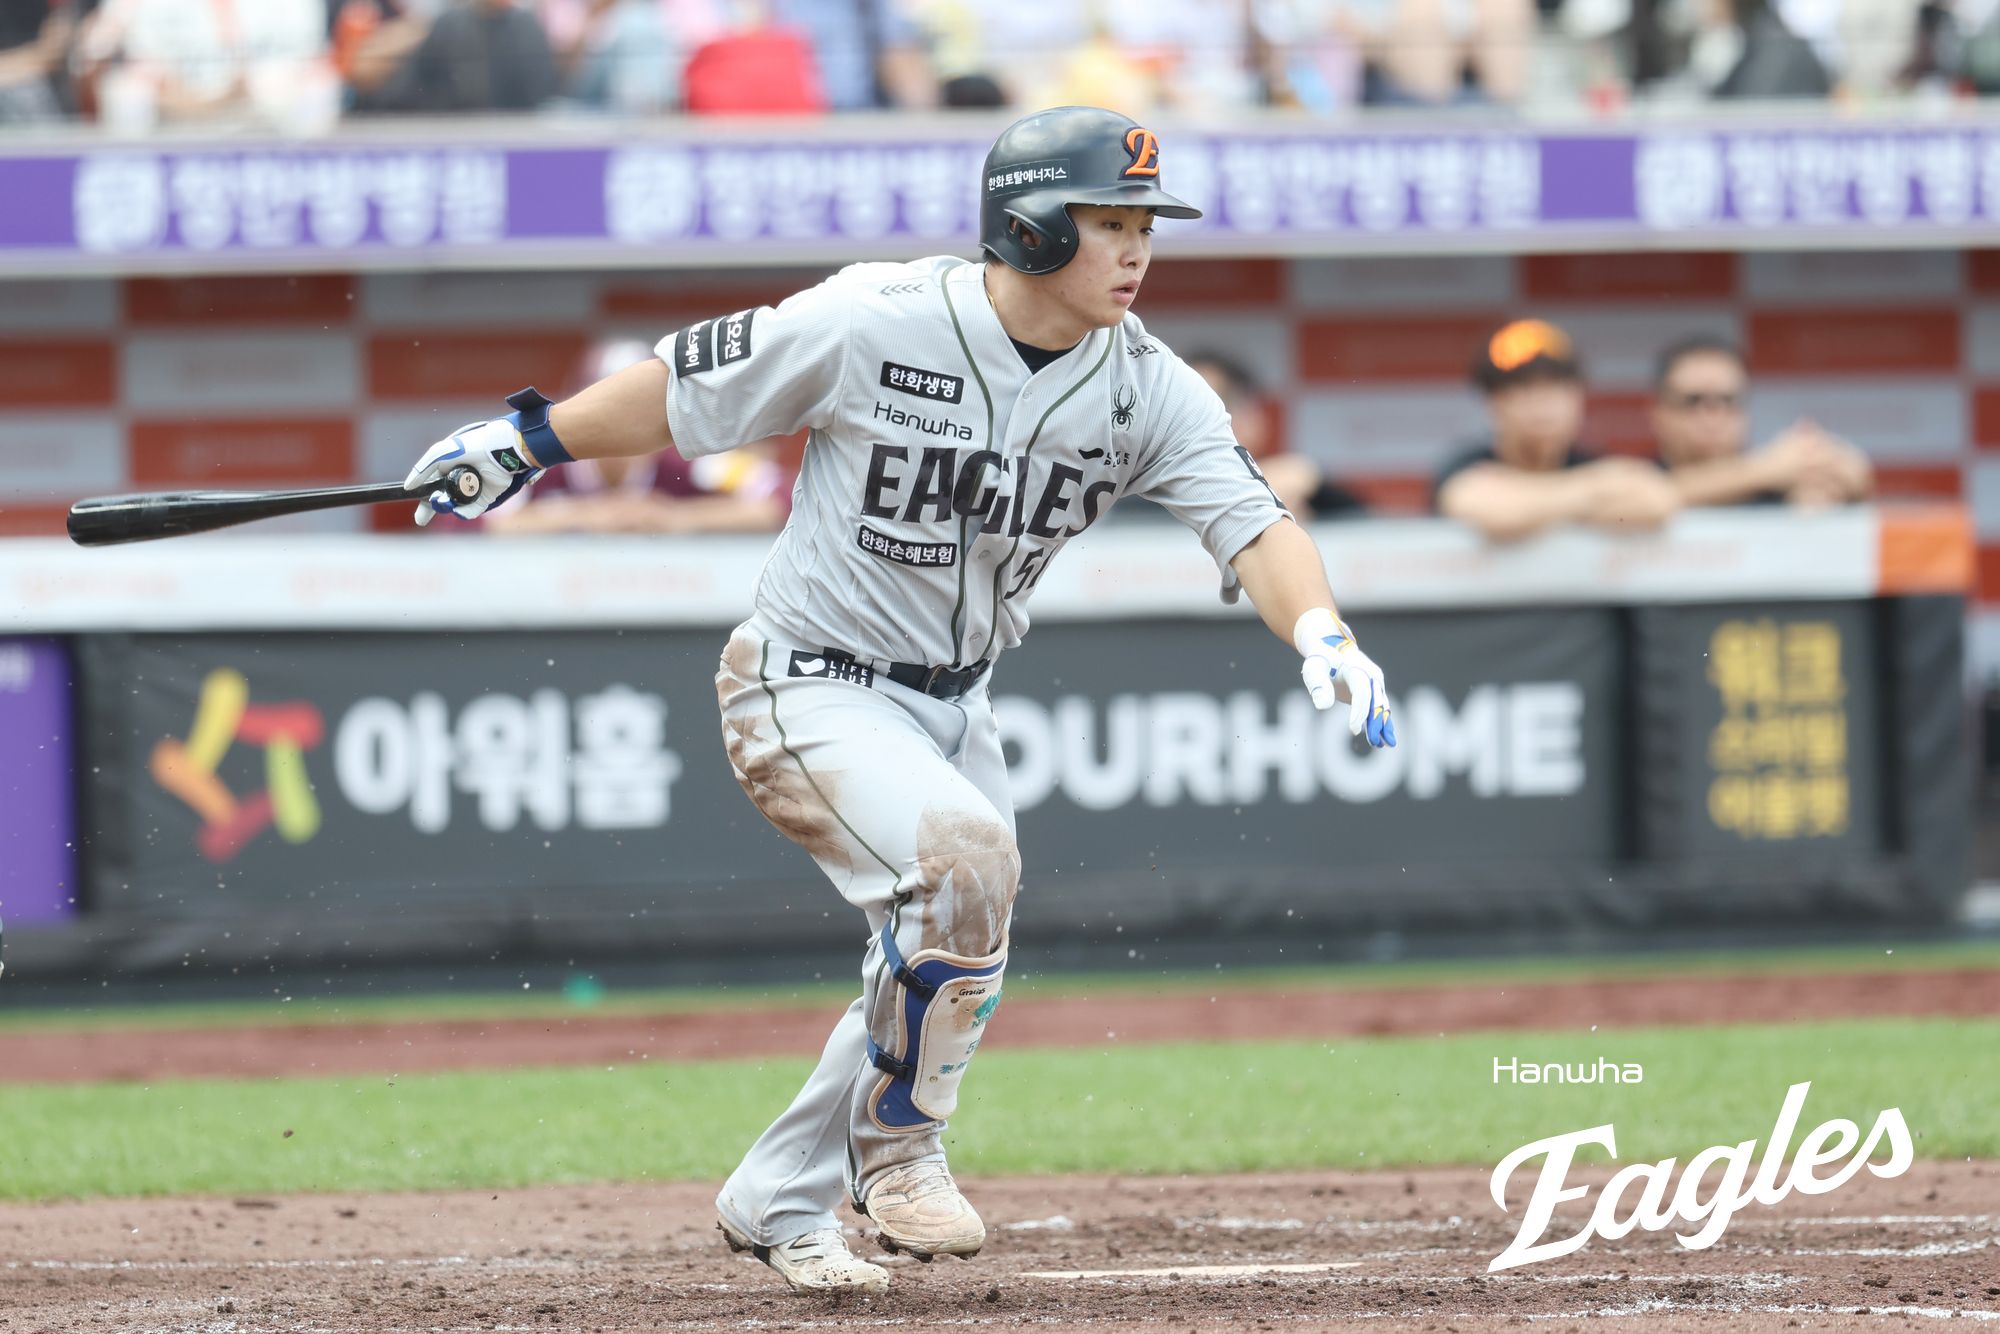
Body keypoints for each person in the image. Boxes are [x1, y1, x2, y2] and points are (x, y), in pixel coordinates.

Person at [401, 106, 1397, 1297]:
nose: (1136, 249)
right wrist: (526, 440)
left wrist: (1322, 628)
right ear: (1030, 225)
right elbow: (685, 388)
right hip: (806, 678)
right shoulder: (876, 316)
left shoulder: (1145, 387)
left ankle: (779, 1194)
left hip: (956, 704)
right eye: (1107, 222)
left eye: (1144, 226)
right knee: (961, 865)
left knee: (936, 962)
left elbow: (1251, 520)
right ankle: (901, 1150)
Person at [485, 340, 790, 535]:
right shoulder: (543, 463)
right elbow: (477, 517)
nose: (621, 423)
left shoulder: (690, 463)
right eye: (605, 408)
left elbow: (778, 495)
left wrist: (674, 516)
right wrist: (582, 516)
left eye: (640, 409)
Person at [1433, 318, 1681, 541]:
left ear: (1579, 397)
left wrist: (1527, 502)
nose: (1542, 401)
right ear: (1493, 403)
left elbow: (1656, 503)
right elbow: (1495, 514)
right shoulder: (1466, 463)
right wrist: (1601, 487)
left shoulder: (1589, 461)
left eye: (1556, 386)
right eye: (1523, 387)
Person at [1649, 334, 1872, 508]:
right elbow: (1651, 496)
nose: (1712, 417)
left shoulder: (1774, 487)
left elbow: (1854, 473)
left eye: (1728, 401)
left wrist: (1824, 469)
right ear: (1658, 414)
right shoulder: (1638, 477)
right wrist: (1767, 468)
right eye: (1693, 401)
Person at [1186, 351, 1365, 518]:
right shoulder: (1171, 495)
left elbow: (1364, 522)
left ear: (1252, 415)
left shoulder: (1306, 486)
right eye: (1187, 411)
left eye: (1221, 405)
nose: (1195, 424)